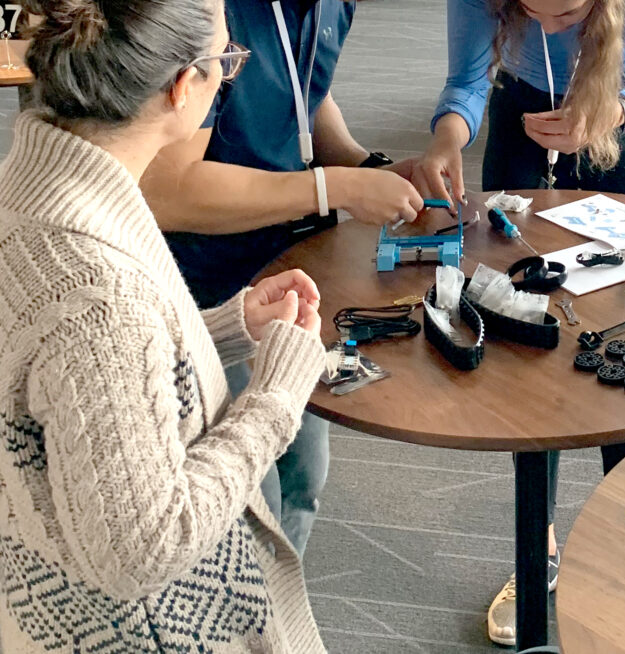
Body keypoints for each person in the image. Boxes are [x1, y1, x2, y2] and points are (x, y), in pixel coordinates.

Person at [0, 0, 329, 651]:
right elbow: (144, 549)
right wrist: (277, 396)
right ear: (184, 86)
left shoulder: (35, 188)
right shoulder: (95, 288)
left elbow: (93, 379)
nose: (229, 72)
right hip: (143, 629)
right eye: (227, 60)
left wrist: (227, 327)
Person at [413, 0, 625, 644]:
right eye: (531, 10)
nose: (550, 24)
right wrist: (446, 138)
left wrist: (612, 113)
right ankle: (533, 552)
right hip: (523, 125)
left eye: (568, 9)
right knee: (528, 357)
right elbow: (466, 83)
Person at [140, 0, 424, 558]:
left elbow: (303, 96)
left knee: (302, 478)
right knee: (246, 502)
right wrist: (333, 188)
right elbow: (167, 191)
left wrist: (366, 168)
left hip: (294, 274)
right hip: (206, 289)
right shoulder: (211, 13)